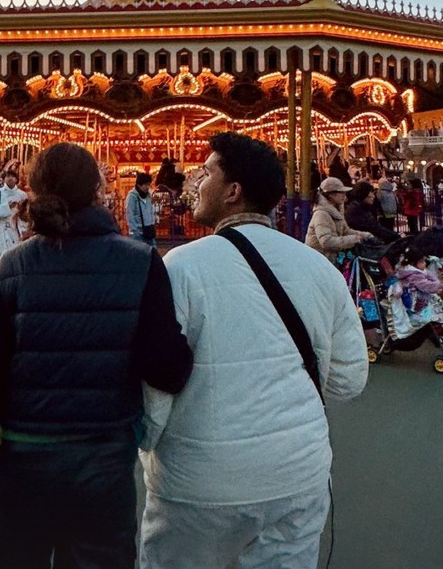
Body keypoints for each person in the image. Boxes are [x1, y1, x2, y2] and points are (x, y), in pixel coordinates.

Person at [0, 142, 193, 568]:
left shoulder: (12, 267)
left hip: (22, 462)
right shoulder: (140, 262)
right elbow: (167, 370)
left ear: (33, 189)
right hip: (103, 463)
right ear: (100, 190)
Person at [139, 132, 369, 569]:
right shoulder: (318, 269)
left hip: (199, 481)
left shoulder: (180, 268)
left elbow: (158, 385)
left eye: (206, 173)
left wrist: (148, 445)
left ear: (232, 191)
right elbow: (348, 381)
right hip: (297, 474)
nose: (196, 183)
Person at [304, 177, 374, 262]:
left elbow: (345, 230)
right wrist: (353, 239)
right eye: (341, 193)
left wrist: (364, 235)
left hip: (329, 259)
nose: (344, 195)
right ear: (331, 195)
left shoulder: (336, 210)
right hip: (319, 261)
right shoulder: (321, 214)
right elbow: (326, 241)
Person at [0, 169, 28, 262]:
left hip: (17, 230)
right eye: (7, 176)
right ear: (4, 179)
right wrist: (7, 207)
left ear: (16, 179)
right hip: (1, 230)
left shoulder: (22, 195)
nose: (10, 179)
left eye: (12, 176)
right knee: (1, 258)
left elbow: (26, 215)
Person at [125, 172, 157, 246]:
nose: (147, 187)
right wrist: (134, 229)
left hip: (148, 230)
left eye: (148, 184)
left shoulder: (148, 196)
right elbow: (130, 214)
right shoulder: (132, 196)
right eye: (145, 184)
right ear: (139, 185)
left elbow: (151, 211)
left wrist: (152, 223)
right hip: (137, 232)